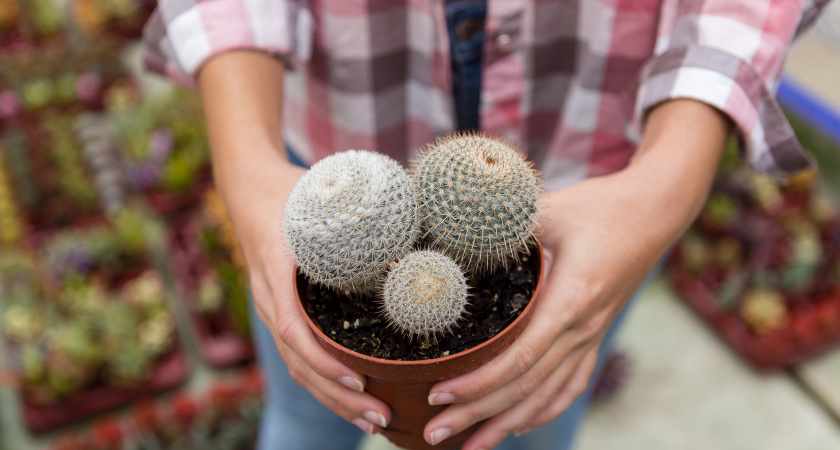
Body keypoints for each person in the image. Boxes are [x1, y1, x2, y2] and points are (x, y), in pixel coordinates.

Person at [142, 1, 828, 449]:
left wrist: (665, 184)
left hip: (594, 182)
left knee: (530, 421)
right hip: (331, 166)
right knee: (305, 416)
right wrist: (248, 167)